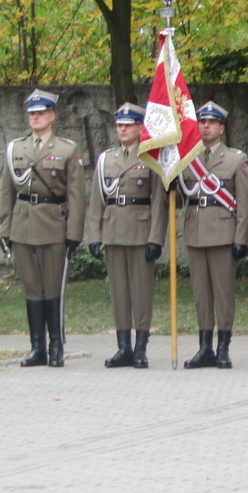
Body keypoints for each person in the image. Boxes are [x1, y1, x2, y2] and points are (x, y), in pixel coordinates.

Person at [0, 89, 85, 368]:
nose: (35, 118)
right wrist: (5, 229)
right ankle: (37, 347)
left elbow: (75, 196)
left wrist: (74, 233)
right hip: (22, 226)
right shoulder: (15, 148)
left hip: (53, 226)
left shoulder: (66, 149)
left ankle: (57, 346)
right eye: (31, 114)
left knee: (53, 289)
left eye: (40, 113)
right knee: (32, 290)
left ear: (52, 116)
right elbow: (6, 192)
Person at [86, 103, 167, 369]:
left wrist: (156, 238)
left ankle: (141, 348)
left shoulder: (150, 157)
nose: (122, 129)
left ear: (139, 128)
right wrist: (94, 236)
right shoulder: (106, 159)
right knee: (118, 291)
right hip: (113, 231)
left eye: (128, 125)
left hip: (141, 231)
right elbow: (97, 200)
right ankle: (124, 347)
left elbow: (158, 201)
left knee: (141, 292)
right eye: (119, 125)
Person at [177, 101, 248, 369]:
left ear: (221, 127)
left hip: (223, 232)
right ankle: (204, 347)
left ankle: (223, 348)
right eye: (202, 122)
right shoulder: (187, 159)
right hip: (195, 230)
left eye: (211, 122)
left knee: (223, 293)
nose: (205, 126)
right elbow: (179, 199)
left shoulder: (236, 159)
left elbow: (245, 203)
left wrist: (242, 239)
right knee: (201, 294)